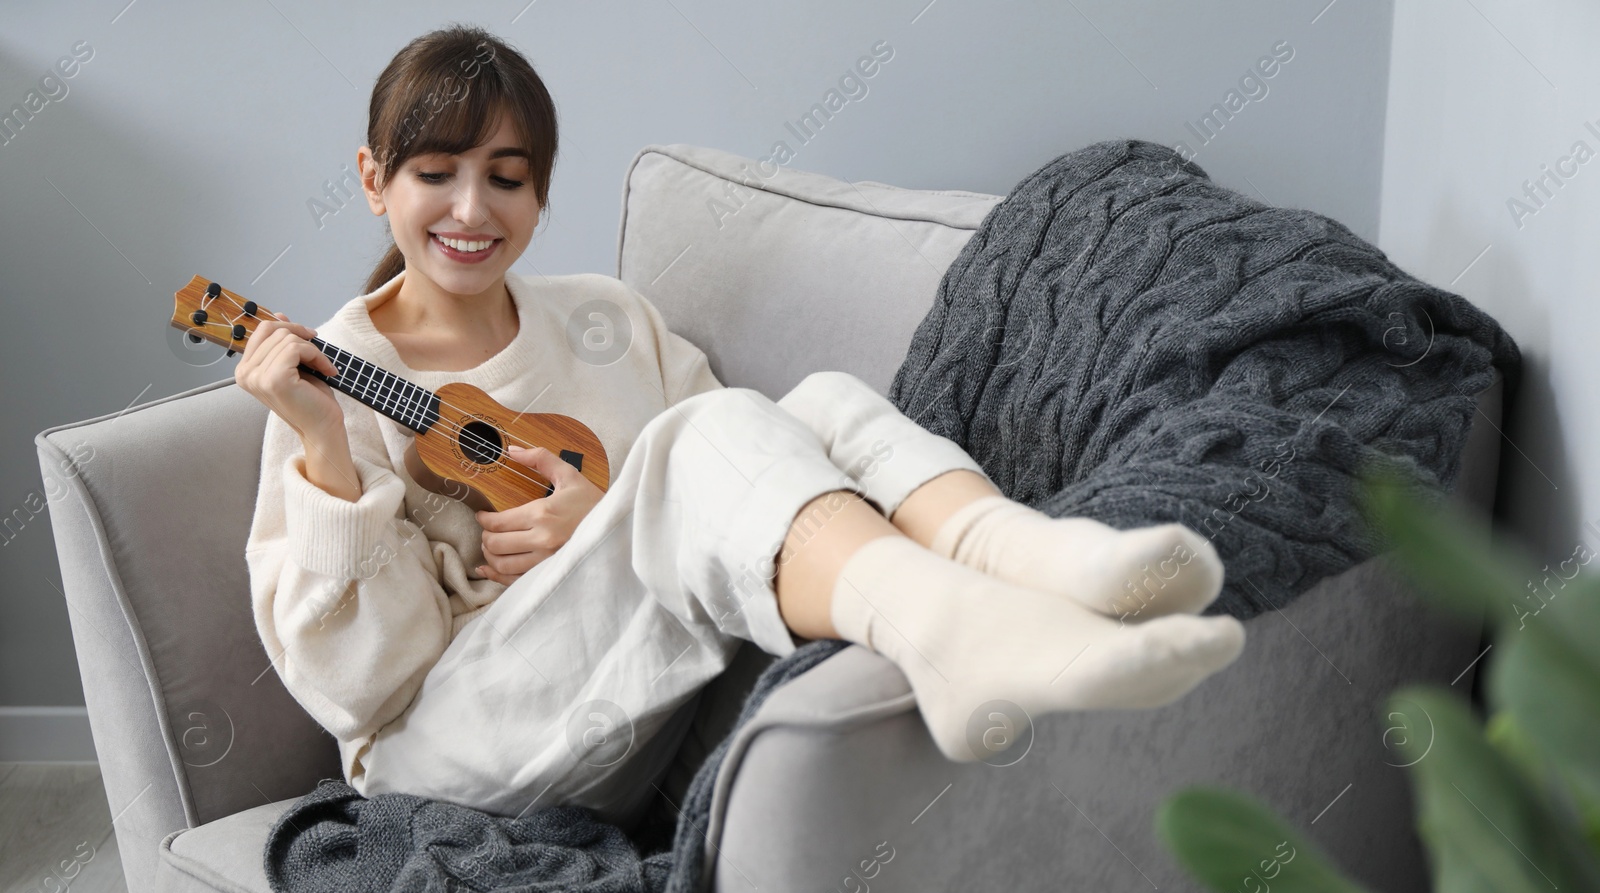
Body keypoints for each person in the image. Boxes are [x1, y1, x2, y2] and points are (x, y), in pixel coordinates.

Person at [239, 24, 1246, 830]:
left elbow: (738, 470)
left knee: (810, 405)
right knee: (712, 430)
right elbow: (362, 693)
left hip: (632, 703)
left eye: (505, 176)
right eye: (436, 172)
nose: (472, 206)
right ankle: (950, 635)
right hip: (455, 746)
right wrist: (325, 452)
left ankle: (1036, 563)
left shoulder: (602, 314)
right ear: (373, 179)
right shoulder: (333, 378)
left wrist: (602, 510)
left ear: (540, 196)